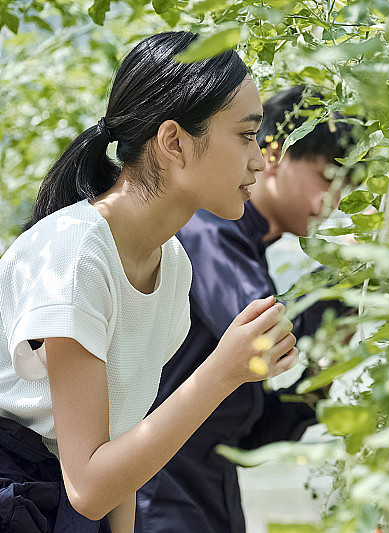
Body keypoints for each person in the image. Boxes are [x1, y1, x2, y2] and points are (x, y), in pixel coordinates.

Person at [0, 31, 298, 532]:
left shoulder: (172, 266)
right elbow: (90, 486)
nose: (261, 159)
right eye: (247, 134)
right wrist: (221, 371)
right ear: (174, 142)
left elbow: (119, 459)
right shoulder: (77, 255)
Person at [135, 85, 356, 533]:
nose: (333, 201)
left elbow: (253, 437)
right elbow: (261, 336)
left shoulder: (248, 249)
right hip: (159, 491)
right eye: (328, 177)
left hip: (206, 489)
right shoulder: (208, 230)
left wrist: (319, 377)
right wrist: (349, 277)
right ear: (273, 155)